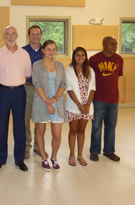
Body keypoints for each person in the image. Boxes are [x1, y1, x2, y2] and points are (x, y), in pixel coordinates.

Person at [0, 26, 32, 172]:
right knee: (1, 127)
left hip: (19, 92)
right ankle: (1, 158)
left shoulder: (24, 54)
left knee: (20, 126)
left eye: (13, 33)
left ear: (17, 35)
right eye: (7, 34)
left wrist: (16, 82)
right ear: (4, 36)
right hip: (2, 92)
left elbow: (27, 74)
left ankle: (19, 159)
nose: (10, 36)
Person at [32, 40, 66, 171]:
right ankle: (44, 158)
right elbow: (37, 84)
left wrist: (55, 98)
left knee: (57, 135)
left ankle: (54, 157)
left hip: (57, 102)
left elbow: (63, 83)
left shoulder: (59, 65)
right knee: (41, 131)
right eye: (48, 49)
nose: (51, 52)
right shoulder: (37, 65)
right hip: (41, 102)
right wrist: (48, 102)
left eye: (53, 49)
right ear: (43, 50)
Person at [89, 36, 123, 162]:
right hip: (98, 99)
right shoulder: (94, 59)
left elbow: (117, 76)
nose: (114, 46)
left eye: (116, 44)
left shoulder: (119, 59)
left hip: (113, 99)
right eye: (111, 44)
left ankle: (109, 151)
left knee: (111, 126)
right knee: (96, 126)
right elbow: (89, 77)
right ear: (103, 45)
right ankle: (94, 151)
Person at [65, 47, 96, 167]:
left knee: (82, 130)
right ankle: (72, 155)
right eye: (77, 55)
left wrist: (87, 105)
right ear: (73, 57)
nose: (80, 57)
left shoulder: (90, 70)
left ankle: (80, 155)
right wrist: (79, 105)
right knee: (73, 130)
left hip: (87, 106)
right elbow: (69, 89)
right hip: (74, 105)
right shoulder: (68, 71)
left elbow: (93, 88)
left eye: (82, 55)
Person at [22, 25, 44, 159]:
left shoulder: (46, 50)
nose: (35, 36)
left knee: (40, 119)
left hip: (42, 89)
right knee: (25, 119)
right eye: (33, 34)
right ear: (28, 36)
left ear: (41, 35)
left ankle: (38, 147)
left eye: (38, 34)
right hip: (27, 88)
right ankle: (26, 147)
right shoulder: (22, 51)